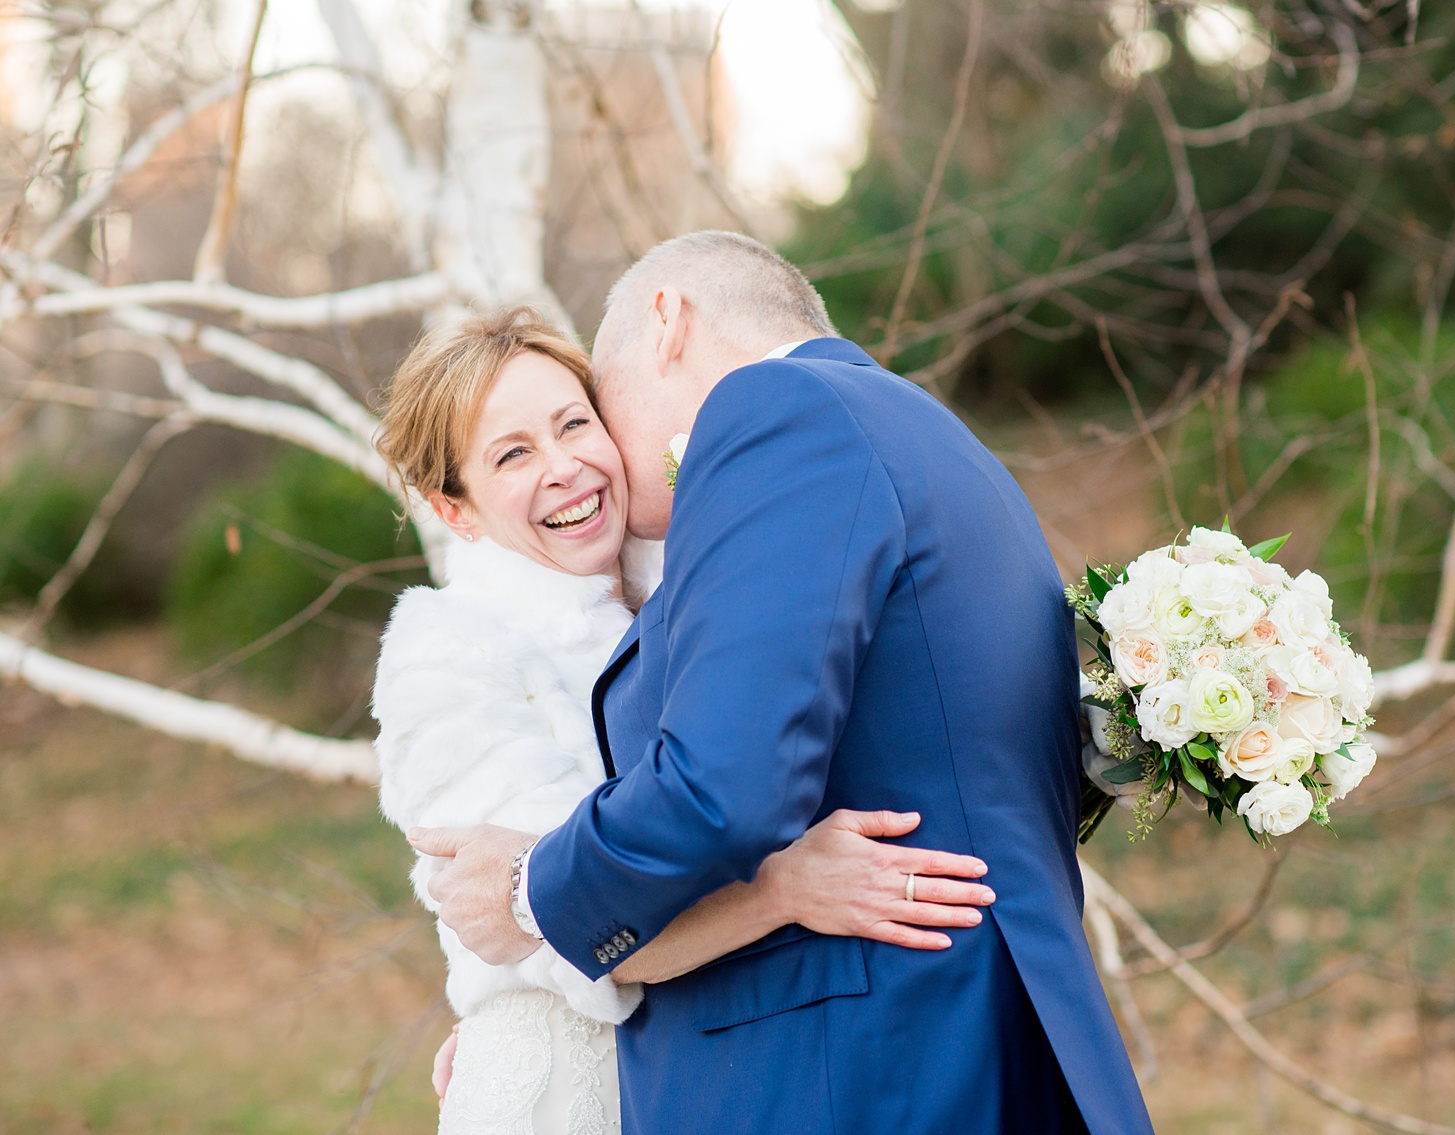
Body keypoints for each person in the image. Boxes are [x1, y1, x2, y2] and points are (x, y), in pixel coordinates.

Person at [415, 232, 1156, 1134]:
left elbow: (722, 787)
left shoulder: (774, 412)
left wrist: (531, 888)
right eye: (513, 453)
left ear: (667, 322)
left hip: (860, 1060)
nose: (591, 456)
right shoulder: (929, 433)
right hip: (949, 1027)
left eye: (589, 414)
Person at [371, 308, 998, 1135]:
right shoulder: (447, 655)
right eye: (514, 453)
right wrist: (786, 887)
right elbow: (577, 927)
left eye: (574, 424)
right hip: (567, 1092)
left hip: (708, 1074)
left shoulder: (685, 585)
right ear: (457, 510)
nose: (564, 467)